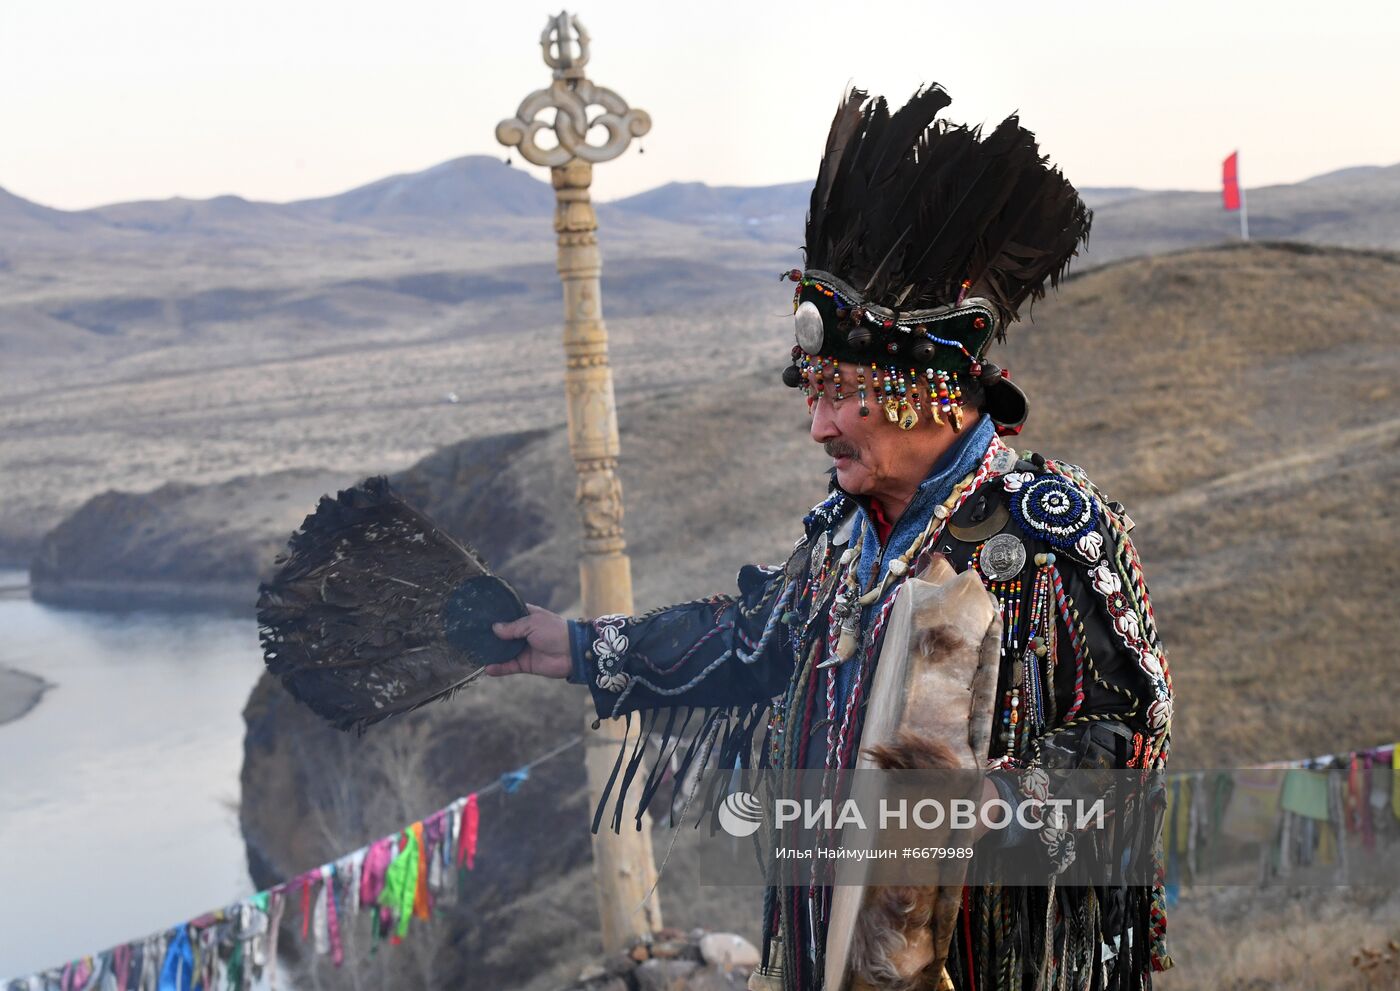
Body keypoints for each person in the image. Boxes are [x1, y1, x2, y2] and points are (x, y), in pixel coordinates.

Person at [489, 85, 1174, 991]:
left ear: (927, 392)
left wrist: (996, 803)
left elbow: (1131, 732)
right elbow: (749, 639)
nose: (818, 427)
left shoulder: (1048, 532)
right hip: (832, 951)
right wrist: (580, 647)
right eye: (814, 394)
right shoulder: (845, 537)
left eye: (842, 395)